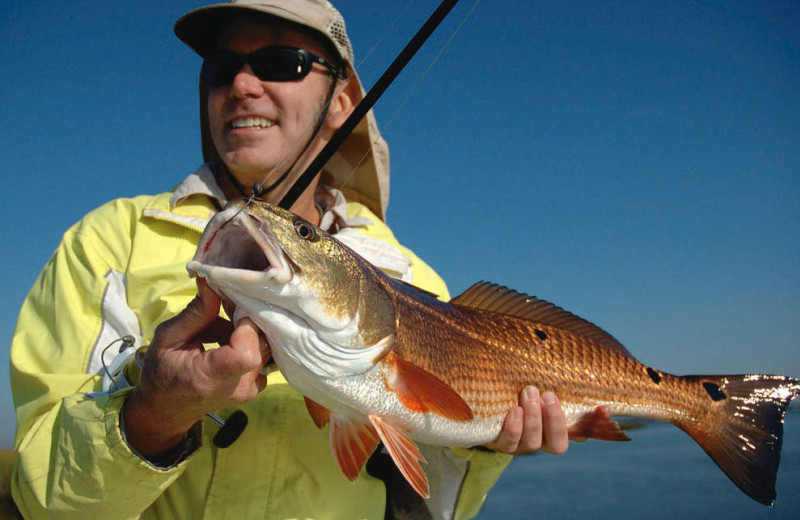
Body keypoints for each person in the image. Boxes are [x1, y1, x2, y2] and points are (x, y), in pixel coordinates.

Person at [10, 1, 573, 518]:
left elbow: (432, 505)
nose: (242, 84)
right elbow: (41, 504)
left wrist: (484, 444)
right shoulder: (108, 242)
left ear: (343, 103)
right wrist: (151, 415)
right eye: (220, 67)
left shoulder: (414, 280)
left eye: (282, 62)